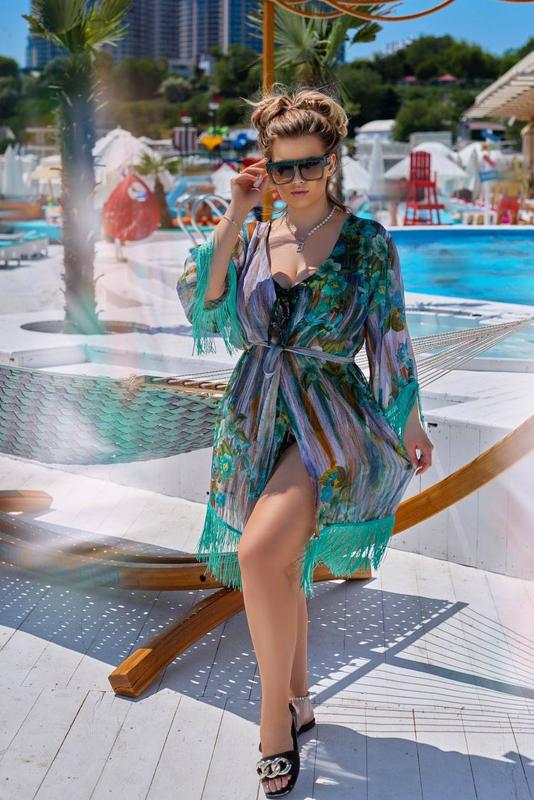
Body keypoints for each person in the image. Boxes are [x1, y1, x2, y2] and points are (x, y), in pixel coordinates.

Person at [176, 85, 434, 797]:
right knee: (280, 563)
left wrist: (410, 420)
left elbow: (391, 335)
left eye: (308, 165)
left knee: (260, 553)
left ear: (332, 161)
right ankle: (299, 699)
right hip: (255, 415)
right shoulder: (255, 238)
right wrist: (235, 211)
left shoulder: (367, 243)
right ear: (266, 168)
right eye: (281, 167)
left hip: (330, 419)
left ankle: (273, 725)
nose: (295, 179)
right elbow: (207, 302)